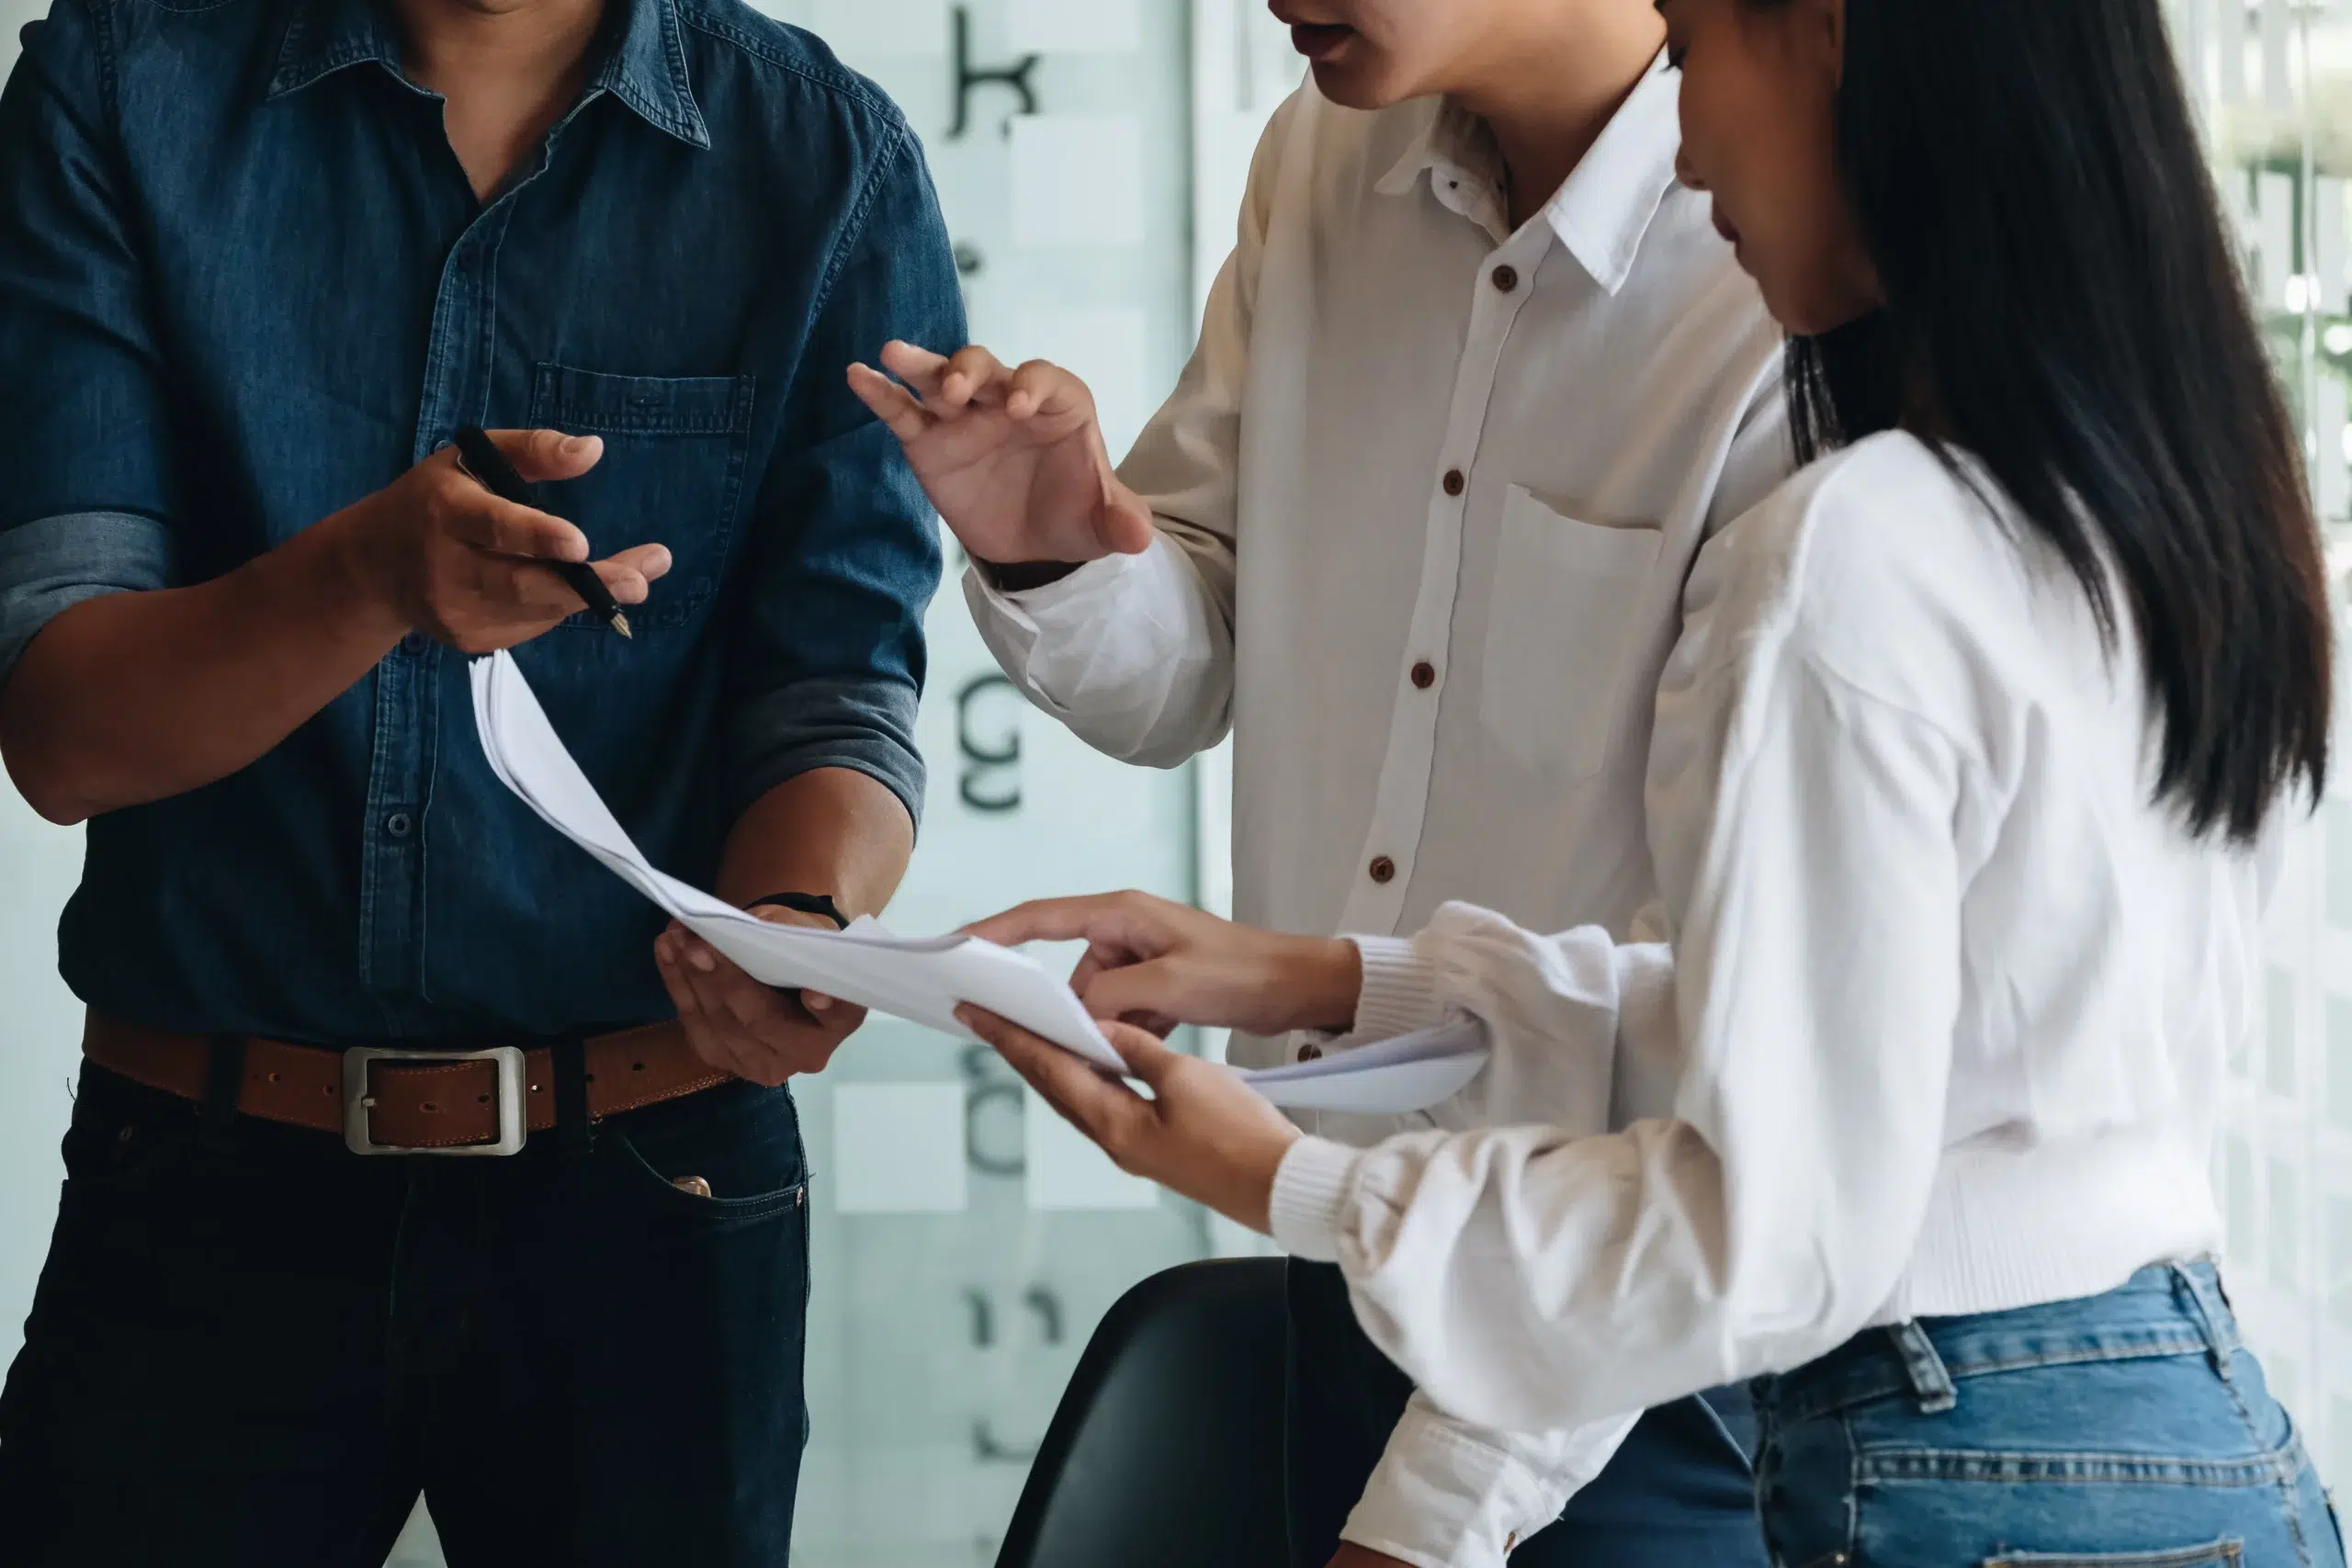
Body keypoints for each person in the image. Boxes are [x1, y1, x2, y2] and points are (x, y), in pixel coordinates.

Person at [956, 0, 2349, 1562]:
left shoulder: (1857, 548)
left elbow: (1769, 1226)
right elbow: (1853, 1033)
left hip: (1928, 1439)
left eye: (1696, 48)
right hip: (2180, 1410)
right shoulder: (2140, 494)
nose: (1683, 135)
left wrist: (1289, 1180)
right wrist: (1336, 977)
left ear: (1830, 37)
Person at [0, 0, 960, 1559]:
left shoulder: (821, 154)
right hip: (202, 1179)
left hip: (655, 1184)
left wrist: (800, 919)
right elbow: (61, 726)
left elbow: (837, 685)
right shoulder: (119, 86)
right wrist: (365, 579)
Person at [849, 1, 1785, 1562]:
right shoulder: (1319, 157)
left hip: (1650, 1339)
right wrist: (1052, 538)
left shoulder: (1788, 260)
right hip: (1334, 1247)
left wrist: (1433, 1517)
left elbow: (1736, 1012)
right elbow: (1193, 671)